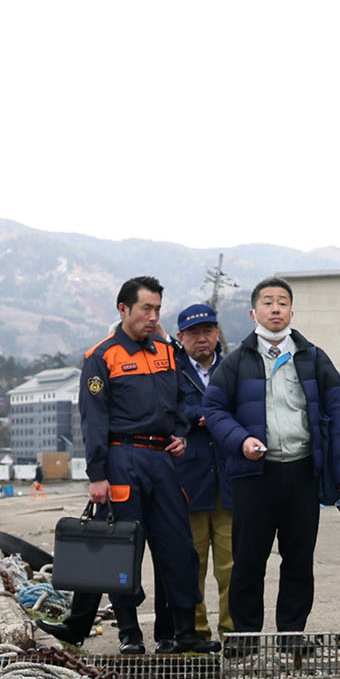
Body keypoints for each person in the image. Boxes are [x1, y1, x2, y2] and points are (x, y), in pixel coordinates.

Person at [203, 279, 340, 648]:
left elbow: (339, 411)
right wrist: (242, 440)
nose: (276, 309)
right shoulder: (237, 361)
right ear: (253, 312)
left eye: (283, 303)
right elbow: (214, 409)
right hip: (254, 474)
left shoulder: (313, 357)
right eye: (268, 302)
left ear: (291, 311)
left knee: (299, 559)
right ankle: (245, 635)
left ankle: (292, 633)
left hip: (302, 471)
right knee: (248, 559)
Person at [62, 276, 206, 655]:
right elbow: (92, 419)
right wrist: (98, 476)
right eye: (146, 309)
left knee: (179, 547)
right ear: (123, 309)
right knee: (123, 548)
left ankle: (183, 633)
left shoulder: (166, 350)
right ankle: (129, 634)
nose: (153, 316)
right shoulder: (102, 356)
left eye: (157, 309)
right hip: (122, 459)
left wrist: (181, 433)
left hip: (162, 459)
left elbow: (179, 401)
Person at [173, 302, 236, 642]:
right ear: (181, 336)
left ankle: (231, 633)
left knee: (230, 566)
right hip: (188, 479)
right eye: (194, 333)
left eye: (208, 331)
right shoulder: (171, 370)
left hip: (229, 479)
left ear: (217, 333)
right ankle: (195, 633)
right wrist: (208, 415)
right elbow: (170, 409)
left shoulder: (234, 367)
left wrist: (204, 417)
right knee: (190, 565)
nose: (202, 338)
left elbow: (243, 408)